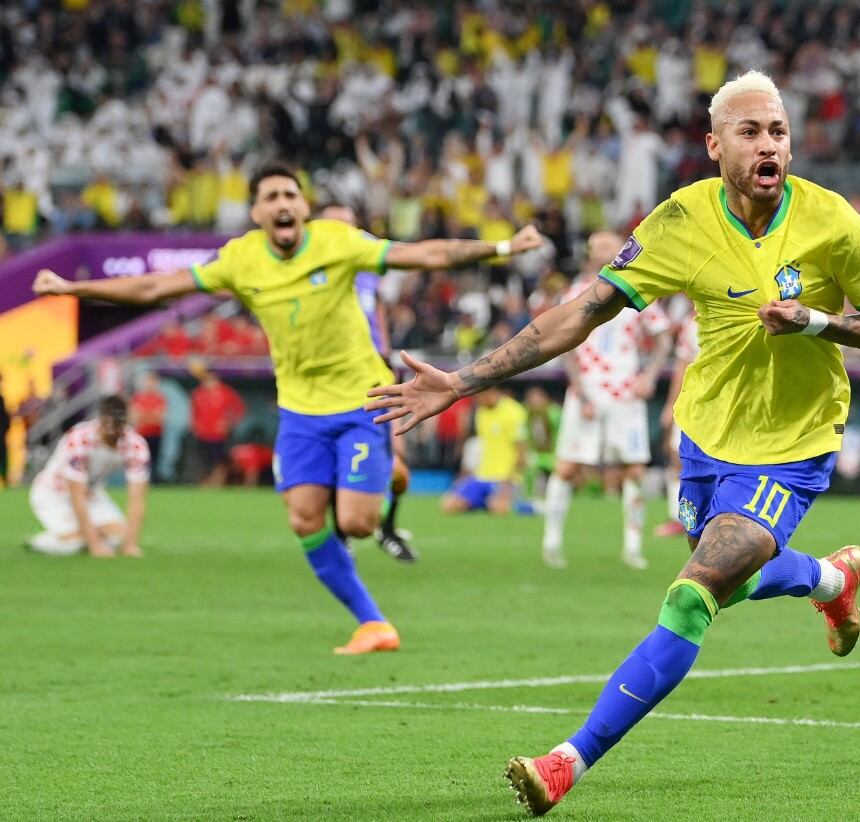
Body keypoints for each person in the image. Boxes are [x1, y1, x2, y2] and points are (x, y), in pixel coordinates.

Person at [366, 70, 860, 815]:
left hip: (796, 441)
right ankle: (830, 581)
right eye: (750, 132)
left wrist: (817, 321)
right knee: (733, 577)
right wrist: (464, 379)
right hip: (708, 437)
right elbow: (580, 313)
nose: (768, 144)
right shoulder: (681, 220)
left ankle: (567, 761)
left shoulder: (832, 221)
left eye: (777, 130)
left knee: (692, 595)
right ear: (716, 145)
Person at [33, 162, 543, 654]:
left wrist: (502, 247)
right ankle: (373, 623)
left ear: (303, 207)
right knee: (304, 520)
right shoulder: (241, 258)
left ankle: (382, 495)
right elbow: (153, 287)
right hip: (299, 411)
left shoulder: (337, 242)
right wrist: (74, 288)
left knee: (359, 523)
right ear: (256, 213)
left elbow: (427, 255)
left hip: (360, 399)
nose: (282, 205)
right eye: (270, 197)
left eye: (289, 195)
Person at [541, 230, 673, 571]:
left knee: (633, 469)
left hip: (625, 393)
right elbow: (562, 343)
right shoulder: (574, 293)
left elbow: (662, 338)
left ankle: (632, 547)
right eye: (595, 246)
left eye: (607, 245)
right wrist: (579, 387)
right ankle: (551, 541)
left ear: (620, 250)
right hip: (586, 391)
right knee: (568, 466)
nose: (600, 250)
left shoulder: (639, 290)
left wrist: (648, 376)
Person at [319, 202, 416, 563]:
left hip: (375, 367)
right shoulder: (312, 268)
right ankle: (341, 534)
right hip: (335, 373)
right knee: (334, 457)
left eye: (350, 225)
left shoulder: (367, 262)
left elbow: (377, 309)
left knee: (400, 464)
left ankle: (388, 530)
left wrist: (387, 355)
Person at [26, 396, 149, 558]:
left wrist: (129, 545)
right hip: (53, 493)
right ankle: (40, 541)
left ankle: (84, 533)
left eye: (117, 426)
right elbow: (76, 495)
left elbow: (137, 498)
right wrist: (95, 545)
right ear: (100, 420)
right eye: (107, 425)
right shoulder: (79, 438)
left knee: (119, 536)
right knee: (74, 545)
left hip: (91, 495)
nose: (112, 432)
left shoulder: (135, 445)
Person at [440, 387, 528, 515]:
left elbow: (521, 453)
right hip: (481, 477)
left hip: (504, 479)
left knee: (499, 510)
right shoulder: (481, 412)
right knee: (448, 506)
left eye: (478, 397)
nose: (476, 401)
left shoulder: (513, 411)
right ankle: (484, 502)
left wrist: (509, 482)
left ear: (489, 392)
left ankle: (526, 506)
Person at [654, 307, 699, 537]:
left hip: (725, 406)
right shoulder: (690, 325)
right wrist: (671, 405)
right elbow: (682, 366)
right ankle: (678, 518)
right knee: (676, 459)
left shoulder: (733, 316)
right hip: (692, 403)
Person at [189, 366, 246, 487]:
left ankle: (217, 483)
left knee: (220, 461)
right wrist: (194, 425)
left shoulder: (225, 392)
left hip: (219, 434)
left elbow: (239, 409)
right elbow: (194, 412)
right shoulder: (198, 393)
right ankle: (205, 483)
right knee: (204, 460)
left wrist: (229, 423)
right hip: (203, 434)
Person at [523, 385, 562, 499]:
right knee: (531, 469)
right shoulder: (527, 414)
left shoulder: (554, 412)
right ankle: (533, 498)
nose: (534, 402)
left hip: (553, 453)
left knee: (556, 477)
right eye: (531, 399)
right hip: (537, 454)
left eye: (537, 398)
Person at [130, 371, 167, 481]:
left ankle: (152, 481)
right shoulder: (137, 397)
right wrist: (150, 416)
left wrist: (144, 416)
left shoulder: (160, 398)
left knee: (155, 460)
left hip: (155, 434)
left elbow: (159, 419)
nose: (150, 384)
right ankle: (139, 480)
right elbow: (134, 417)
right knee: (140, 459)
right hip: (141, 434)